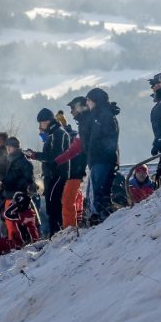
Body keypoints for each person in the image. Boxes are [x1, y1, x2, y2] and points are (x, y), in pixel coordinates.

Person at [26, 108, 71, 235]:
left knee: (54, 207)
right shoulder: (53, 134)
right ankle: (56, 233)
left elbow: (54, 156)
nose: (40, 126)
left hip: (57, 175)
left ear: (48, 121)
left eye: (41, 122)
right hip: (51, 175)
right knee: (52, 207)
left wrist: (35, 155)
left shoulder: (58, 133)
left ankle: (57, 234)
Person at [84, 88, 121, 224]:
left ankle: (102, 220)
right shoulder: (99, 115)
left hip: (103, 160)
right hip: (99, 160)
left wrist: (99, 154)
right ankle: (99, 218)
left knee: (100, 193)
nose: (87, 103)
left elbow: (108, 139)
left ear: (94, 100)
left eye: (88, 99)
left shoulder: (104, 115)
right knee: (97, 193)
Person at [56, 97, 89, 227]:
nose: (71, 112)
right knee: (72, 200)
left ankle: (70, 228)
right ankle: (74, 225)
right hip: (75, 171)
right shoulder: (80, 127)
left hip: (75, 172)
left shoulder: (80, 128)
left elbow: (75, 148)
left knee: (68, 202)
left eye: (73, 108)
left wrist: (57, 161)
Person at [1, 137, 40, 247]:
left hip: (19, 197)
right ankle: (17, 243)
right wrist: (4, 183)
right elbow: (11, 178)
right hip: (10, 195)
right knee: (11, 222)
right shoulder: (11, 160)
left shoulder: (23, 162)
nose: (8, 149)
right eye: (7, 147)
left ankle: (25, 242)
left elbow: (27, 179)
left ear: (15, 147)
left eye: (9, 147)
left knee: (21, 221)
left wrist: (15, 186)